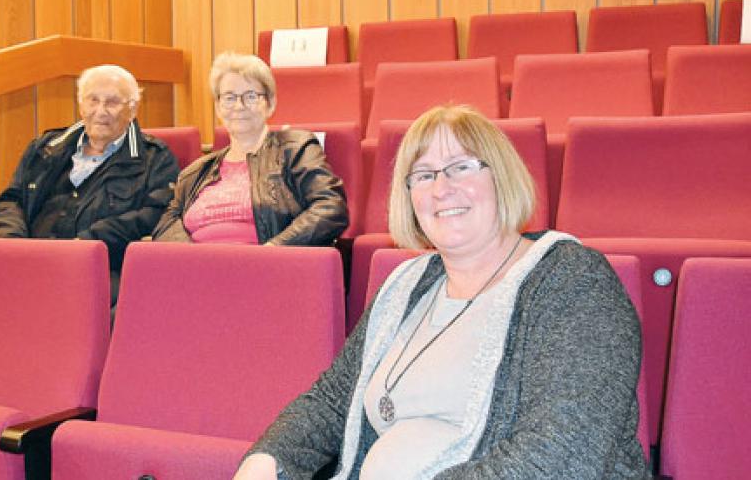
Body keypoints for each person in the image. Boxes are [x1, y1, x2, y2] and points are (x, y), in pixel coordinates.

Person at [234, 105, 649, 479]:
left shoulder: (572, 281)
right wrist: (269, 459)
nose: (441, 188)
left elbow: (561, 457)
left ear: (501, 176)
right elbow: (332, 400)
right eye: (424, 175)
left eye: (461, 167)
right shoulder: (404, 284)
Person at [0, 64, 179, 295]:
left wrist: (87, 244)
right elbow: (11, 200)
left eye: (112, 102)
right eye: (93, 100)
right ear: (80, 104)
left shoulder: (154, 157)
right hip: (26, 260)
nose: (101, 111)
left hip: (98, 269)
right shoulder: (45, 147)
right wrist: (13, 245)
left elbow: (155, 214)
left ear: (133, 109)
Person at [152, 52, 348, 246]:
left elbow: (330, 207)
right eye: (229, 97)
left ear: (270, 104)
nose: (239, 106)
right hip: (197, 269)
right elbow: (166, 225)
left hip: (266, 267)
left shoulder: (294, 149)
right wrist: (190, 259)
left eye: (251, 96)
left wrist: (274, 250)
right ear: (218, 107)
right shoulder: (196, 172)